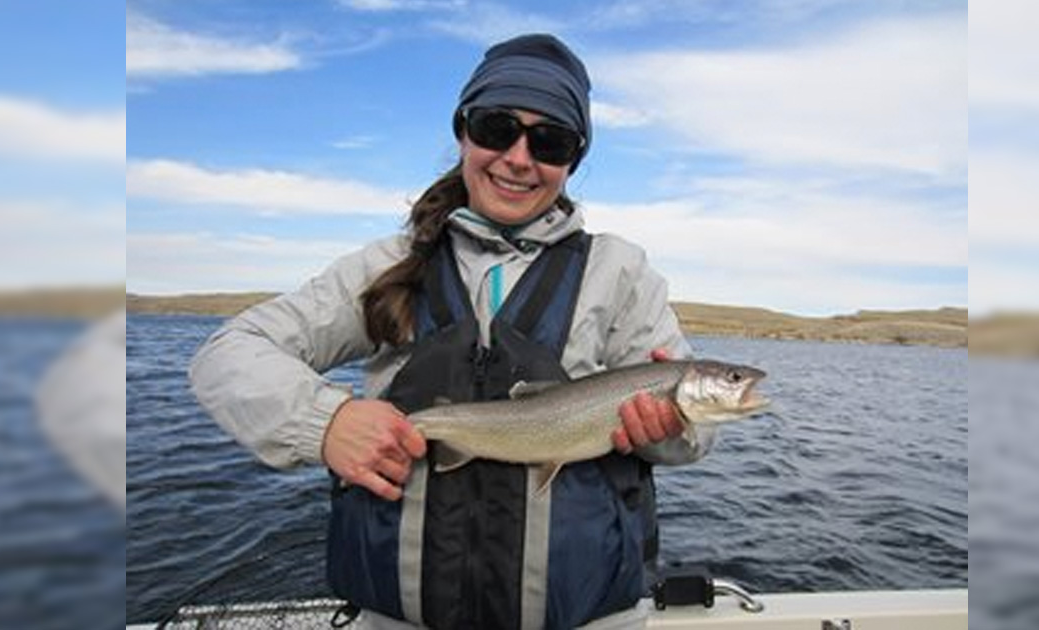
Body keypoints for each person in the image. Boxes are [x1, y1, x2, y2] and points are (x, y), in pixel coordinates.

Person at [189, 33, 715, 630]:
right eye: (497, 128)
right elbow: (227, 353)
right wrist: (326, 423)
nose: (519, 158)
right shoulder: (385, 266)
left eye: (550, 141)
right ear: (464, 131)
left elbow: (695, 439)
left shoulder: (621, 273)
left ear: (573, 160)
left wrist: (671, 431)